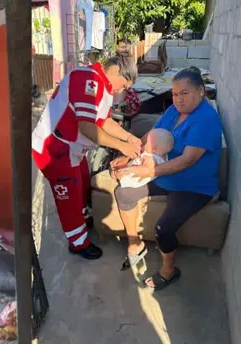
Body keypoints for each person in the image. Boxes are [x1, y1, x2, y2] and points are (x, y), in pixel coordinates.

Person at [112, 67, 222, 287]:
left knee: (163, 228)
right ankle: (135, 244)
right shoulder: (173, 110)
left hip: (193, 186)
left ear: (201, 91)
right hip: (164, 175)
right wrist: (130, 154)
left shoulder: (206, 119)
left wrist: (148, 172)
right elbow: (153, 134)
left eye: (184, 93)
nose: (179, 99)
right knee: (123, 192)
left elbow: (187, 160)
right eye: (175, 94)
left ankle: (169, 271)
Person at [32, 53, 141, 260]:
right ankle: (78, 243)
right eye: (124, 85)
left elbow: (104, 121)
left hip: (72, 147)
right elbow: (88, 127)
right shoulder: (88, 80)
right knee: (69, 199)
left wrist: (129, 138)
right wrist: (122, 146)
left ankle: (82, 221)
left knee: (82, 187)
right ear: (116, 70)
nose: (122, 91)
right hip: (54, 149)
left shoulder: (103, 86)